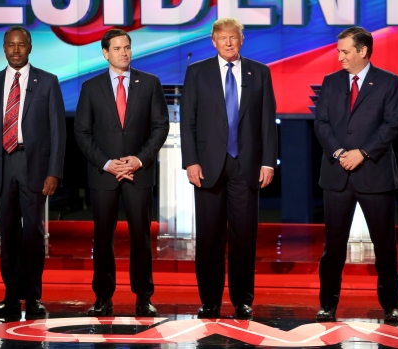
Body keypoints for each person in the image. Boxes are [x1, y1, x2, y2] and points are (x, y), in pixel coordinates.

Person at [180, 17, 278, 320]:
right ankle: (209, 300)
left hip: (246, 165)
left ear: (242, 39)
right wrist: (191, 161)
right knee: (209, 237)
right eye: (222, 38)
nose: (228, 43)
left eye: (233, 37)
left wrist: (267, 161)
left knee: (243, 236)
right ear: (213, 41)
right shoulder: (197, 73)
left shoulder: (260, 72)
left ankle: (242, 300)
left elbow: (267, 121)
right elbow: (188, 122)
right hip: (208, 166)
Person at [74, 28, 169, 316]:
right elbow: (82, 132)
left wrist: (138, 160)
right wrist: (107, 163)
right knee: (103, 237)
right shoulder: (91, 87)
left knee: (141, 237)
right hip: (104, 175)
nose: (124, 53)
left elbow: (160, 127)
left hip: (138, 173)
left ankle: (143, 296)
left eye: (127, 47)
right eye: (117, 48)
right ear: (105, 53)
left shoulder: (149, 83)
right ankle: (103, 297)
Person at [313, 26, 398, 322]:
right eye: (339, 51)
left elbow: (393, 123)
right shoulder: (330, 82)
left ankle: (390, 305)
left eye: (345, 51)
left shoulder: (389, 82)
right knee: (333, 246)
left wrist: (362, 152)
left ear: (362, 51)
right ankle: (328, 304)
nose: (339, 57)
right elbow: (321, 123)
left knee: (384, 245)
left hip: (375, 175)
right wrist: (340, 153)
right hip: (337, 175)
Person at [0, 26, 66, 316]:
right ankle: (12, 296)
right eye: (11, 45)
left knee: (33, 235)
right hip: (1, 165)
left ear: (29, 47)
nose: (16, 50)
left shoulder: (48, 82)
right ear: (4, 48)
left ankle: (34, 297)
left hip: (34, 167)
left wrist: (54, 172)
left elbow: (57, 132)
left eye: (21, 45)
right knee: (9, 235)